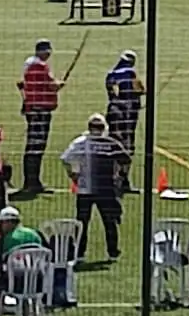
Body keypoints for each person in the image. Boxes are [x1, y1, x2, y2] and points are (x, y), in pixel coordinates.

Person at [61, 114, 128, 260]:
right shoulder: (111, 143)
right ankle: (113, 252)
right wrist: (120, 177)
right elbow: (125, 160)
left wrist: (72, 174)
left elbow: (65, 158)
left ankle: (80, 253)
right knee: (109, 221)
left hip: (84, 188)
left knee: (82, 222)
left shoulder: (81, 142)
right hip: (106, 189)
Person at [17, 41, 62, 195]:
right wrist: (58, 85)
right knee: (36, 147)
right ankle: (32, 182)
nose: (49, 54)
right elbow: (51, 85)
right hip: (40, 111)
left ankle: (33, 182)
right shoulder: (40, 66)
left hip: (33, 109)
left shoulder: (29, 65)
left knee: (33, 146)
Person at [105, 51, 143, 194]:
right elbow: (140, 89)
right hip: (128, 115)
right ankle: (123, 179)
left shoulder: (110, 74)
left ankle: (112, 179)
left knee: (114, 145)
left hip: (114, 113)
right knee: (127, 147)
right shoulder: (131, 74)